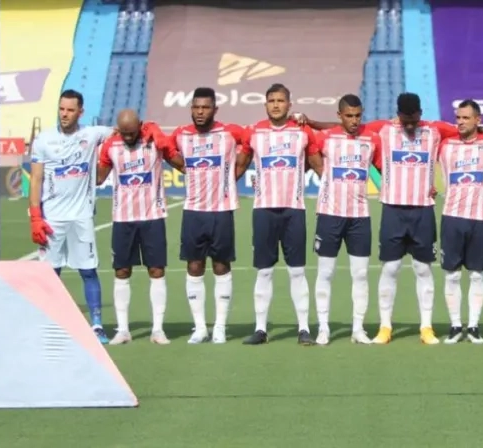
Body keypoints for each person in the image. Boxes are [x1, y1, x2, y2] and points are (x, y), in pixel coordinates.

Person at [301, 92, 483, 344]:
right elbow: (347, 126)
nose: (410, 124)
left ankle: (426, 327)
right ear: (399, 114)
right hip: (392, 210)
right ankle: (385, 327)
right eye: (406, 119)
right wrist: (313, 123)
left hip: (423, 210)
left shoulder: (435, 130)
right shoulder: (382, 129)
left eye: (414, 118)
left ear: (420, 114)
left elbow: (470, 128)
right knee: (390, 269)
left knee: (422, 269)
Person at [28, 89, 135, 344]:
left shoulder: (92, 134)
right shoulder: (43, 140)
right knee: (50, 273)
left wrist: (145, 126)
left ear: (80, 112)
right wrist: (35, 216)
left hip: (81, 217)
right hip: (52, 219)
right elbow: (36, 179)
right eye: (61, 109)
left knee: (88, 271)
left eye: (70, 110)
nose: (64, 114)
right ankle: (48, 321)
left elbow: (123, 130)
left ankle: (97, 324)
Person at [240, 84, 323, 346]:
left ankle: (303, 329)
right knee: (264, 272)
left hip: (294, 211)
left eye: (280, 100)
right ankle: (261, 329)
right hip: (263, 211)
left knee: (297, 272)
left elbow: (321, 165)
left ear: (290, 104)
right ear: (265, 104)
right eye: (271, 101)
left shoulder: (302, 132)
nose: (276, 105)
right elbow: (239, 166)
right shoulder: (254, 132)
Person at [96, 110, 185, 345]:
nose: (127, 137)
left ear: (140, 127)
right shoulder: (111, 146)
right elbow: (97, 178)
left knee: (156, 270)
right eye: (123, 133)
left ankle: (157, 329)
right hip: (122, 219)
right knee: (121, 272)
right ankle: (123, 330)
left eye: (131, 133)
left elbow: (180, 164)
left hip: (152, 217)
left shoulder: (153, 140)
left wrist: (165, 145)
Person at [170, 87, 251, 344]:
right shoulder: (181, 135)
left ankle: (219, 327)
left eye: (205, 107)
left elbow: (251, 141)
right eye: (196, 107)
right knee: (194, 266)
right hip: (193, 211)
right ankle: (200, 327)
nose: (200, 112)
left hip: (221, 210)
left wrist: (236, 172)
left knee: (221, 265)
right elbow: (162, 148)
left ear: (215, 109)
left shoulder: (229, 132)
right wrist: (182, 166)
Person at [311, 94, 382, 345]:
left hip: (360, 217)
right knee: (326, 273)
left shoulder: (371, 138)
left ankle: (358, 329)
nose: (354, 120)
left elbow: (384, 167)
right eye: (349, 116)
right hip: (330, 215)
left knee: (360, 275)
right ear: (339, 115)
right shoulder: (325, 137)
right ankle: (323, 328)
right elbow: (310, 154)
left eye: (358, 115)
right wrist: (322, 172)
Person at [438, 100, 483, 344]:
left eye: (466, 118)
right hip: (452, 217)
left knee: (477, 275)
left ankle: (474, 326)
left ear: (478, 120)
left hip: (480, 218)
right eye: (458, 117)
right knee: (452, 275)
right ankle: (456, 325)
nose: (460, 122)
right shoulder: (445, 144)